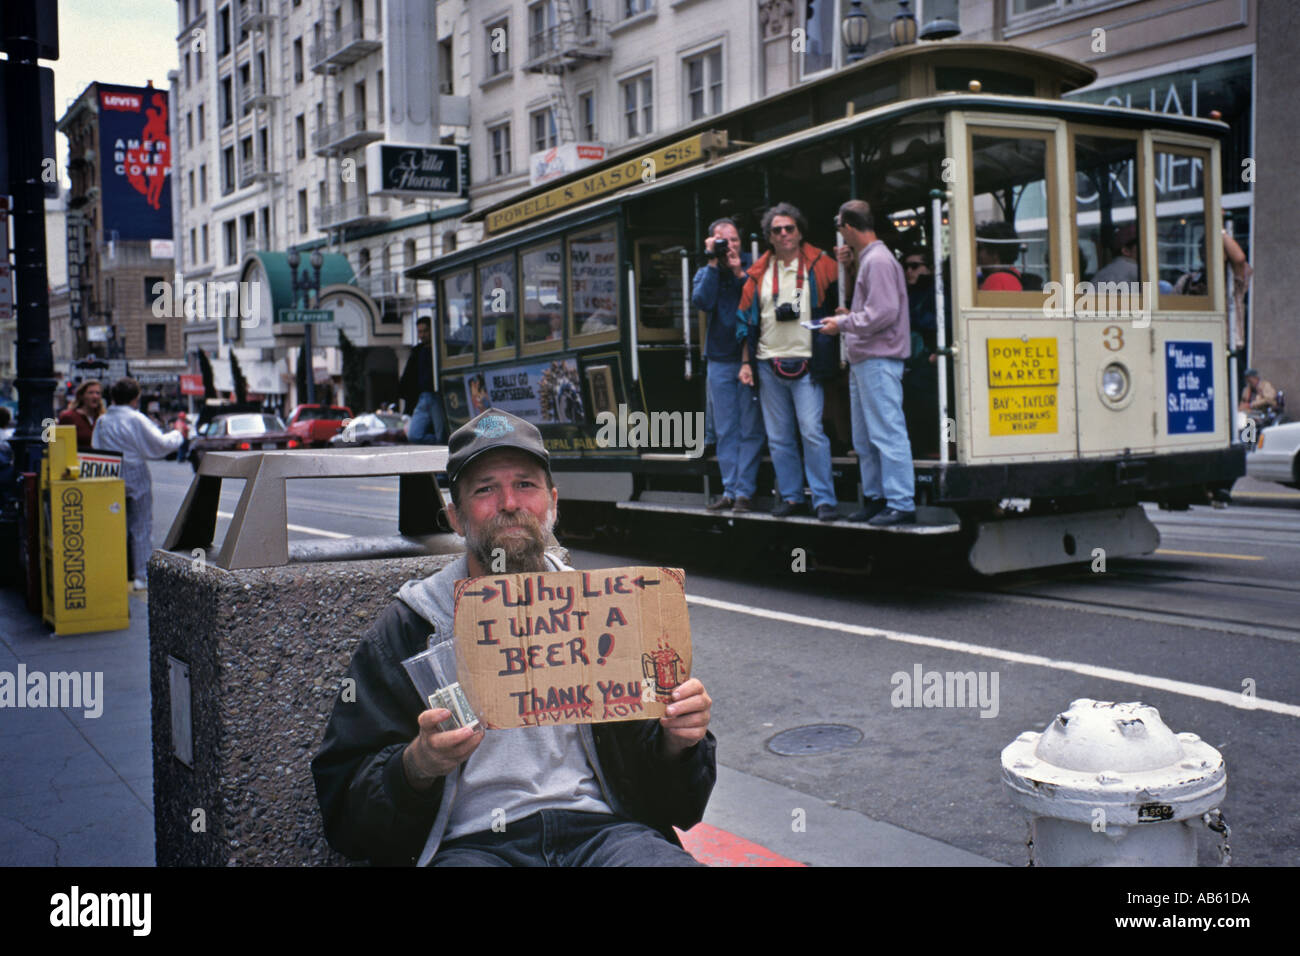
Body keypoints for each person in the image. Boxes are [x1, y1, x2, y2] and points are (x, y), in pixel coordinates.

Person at [311, 408, 715, 867]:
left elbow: (677, 804)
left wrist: (680, 744)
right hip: (473, 847)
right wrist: (416, 766)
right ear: (456, 517)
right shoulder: (411, 629)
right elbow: (344, 812)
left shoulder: (606, 612)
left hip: (605, 835)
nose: (509, 503)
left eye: (525, 484)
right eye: (485, 489)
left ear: (553, 502)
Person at [736, 202, 840, 521]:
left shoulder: (822, 263)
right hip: (769, 365)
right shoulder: (757, 274)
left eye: (789, 228)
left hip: (807, 362)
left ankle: (824, 500)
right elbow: (745, 322)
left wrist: (850, 264)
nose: (783, 234)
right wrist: (745, 363)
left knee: (811, 431)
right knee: (779, 437)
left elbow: (845, 294)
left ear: (799, 231)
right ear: (769, 236)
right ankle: (793, 498)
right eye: (777, 230)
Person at [823, 200, 916, 526]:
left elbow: (883, 313)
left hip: (878, 358)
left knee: (886, 433)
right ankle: (878, 498)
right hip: (869, 359)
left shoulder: (876, 260)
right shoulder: (874, 258)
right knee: (866, 437)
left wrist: (844, 324)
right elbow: (880, 311)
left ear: (848, 226)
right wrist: (851, 317)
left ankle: (900, 501)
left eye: (839, 229)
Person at [691, 217, 763, 513]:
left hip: (751, 357)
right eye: (723, 241)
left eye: (734, 239)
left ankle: (745, 491)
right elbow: (701, 301)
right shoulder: (707, 270)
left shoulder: (753, 264)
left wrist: (737, 270)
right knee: (726, 428)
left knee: (750, 427)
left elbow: (759, 297)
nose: (729, 246)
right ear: (711, 242)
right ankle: (730, 490)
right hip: (720, 359)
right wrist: (712, 263)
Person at [91, 378, 185, 591]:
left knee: (113, 526)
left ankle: (112, 573)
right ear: (136, 398)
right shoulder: (136, 418)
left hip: (110, 472)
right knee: (141, 525)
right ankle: (142, 575)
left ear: (113, 397)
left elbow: (96, 447)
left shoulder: (103, 421)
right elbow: (160, 444)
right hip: (134, 471)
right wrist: (178, 433)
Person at [398, 316, 447, 444]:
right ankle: (440, 444)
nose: (422, 335)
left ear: (432, 330)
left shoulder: (440, 349)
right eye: (419, 332)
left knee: (441, 434)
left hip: (437, 395)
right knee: (414, 435)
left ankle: (442, 445)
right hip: (423, 397)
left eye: (425, 331)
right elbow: (408, 379)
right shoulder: (417, 352)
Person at [975, 221, 1023, 291]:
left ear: (995, 254)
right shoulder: (1014, 275)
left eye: (980, 248)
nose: (976, 252)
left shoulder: (996, 280)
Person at [58, 379, 104, 452]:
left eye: (98, 393)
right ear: (82, 396)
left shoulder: (102, 418)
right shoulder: (69, 417)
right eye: (90, 393)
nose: (95, 396)